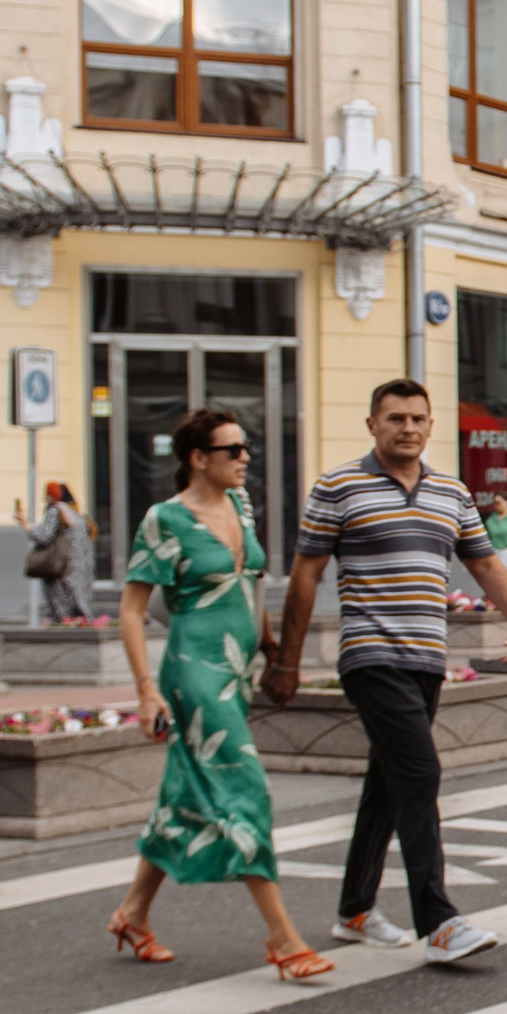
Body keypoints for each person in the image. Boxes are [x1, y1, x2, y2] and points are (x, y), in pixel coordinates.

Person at [270, 379, 507, 964]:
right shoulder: (338, 486)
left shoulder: (451, 492)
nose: (407, 428)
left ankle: (355, 910)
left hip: (426, 658)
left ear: (431, 425)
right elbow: (306, 575)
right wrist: (287, 662)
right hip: (371, 655)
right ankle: (438, 920)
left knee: (388, 785)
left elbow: (484, 562)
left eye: (417, 418)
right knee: (419, 773)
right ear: (373, 425)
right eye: (395, 418)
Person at [105, 408, 332, 979]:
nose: (245, 458)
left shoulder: (240, 505)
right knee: (243, 788)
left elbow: (251, 586)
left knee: (185, 794)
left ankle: (132, 914)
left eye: (245, 447)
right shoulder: (166, 519)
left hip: (236, 671)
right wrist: (146, 691)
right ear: (198, 458)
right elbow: (131, 611)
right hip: (194, 673)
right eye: (233, 450)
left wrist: (274, 652)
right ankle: (283, 939)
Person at [16, 481, 97, 622]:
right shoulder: (78, 515)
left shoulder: (55, 511)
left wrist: (25, 523)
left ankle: (65, 625)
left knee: (61, 608)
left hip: (60, 566)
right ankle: (81, 623)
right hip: (80, 569)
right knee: (79, 605)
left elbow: (44, 536)